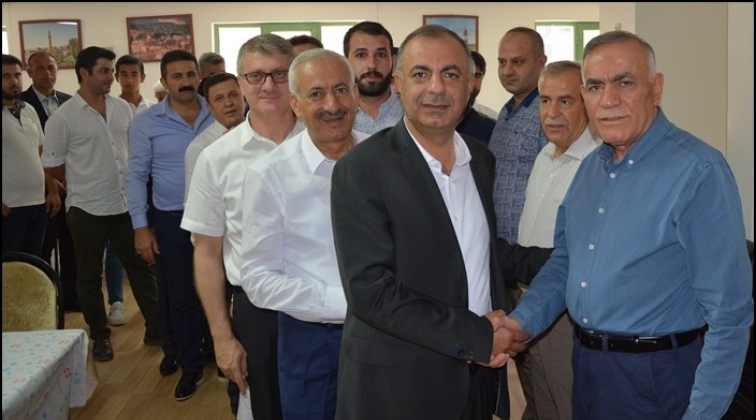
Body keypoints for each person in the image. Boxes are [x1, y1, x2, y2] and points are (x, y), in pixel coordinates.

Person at [507, 30, 753, 420]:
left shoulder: (699, 171)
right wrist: (521, 322)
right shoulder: (589, 169)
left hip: (657, 376)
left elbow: (730, 313)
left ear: (656, 88)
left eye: (624, 83)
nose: (609, 100)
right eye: (595, 86)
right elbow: (566, 263)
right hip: (587, 366)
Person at [330, 25, 552, 420]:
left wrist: (563, 258)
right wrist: (477, 336)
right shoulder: (362, 168)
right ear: (399, 83)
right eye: (421, 74)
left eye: (450, 74)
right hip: (399, 389)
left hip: (477, 380)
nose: (436, 88)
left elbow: (477, 250)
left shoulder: (480, 160)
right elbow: (371, 292)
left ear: (470, 86)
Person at [239, 48, 368, 420]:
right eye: (316, 94)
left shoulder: (385, 159)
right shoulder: (270, 175)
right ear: (295, 104)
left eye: (341, 90)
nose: (332, 104)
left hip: (387, 336)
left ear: (355, 94)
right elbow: (257, 278)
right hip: (312, 341)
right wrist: (343, 302)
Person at [183, 33, 303, 419]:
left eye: (280, 74)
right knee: (267, 408)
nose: (269, 85)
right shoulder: (216, 159)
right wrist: (222, 337)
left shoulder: (327, 142)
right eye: (256, 76)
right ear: (240, 83)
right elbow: (207, 253)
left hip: (328, 305)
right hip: (258, 311)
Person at [41, 46, 160, 363]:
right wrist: (87, 176)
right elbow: (52, 166)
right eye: (105, 71)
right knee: (89, 276)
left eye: (111, 71)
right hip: (87, 208)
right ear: (84, 73)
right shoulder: (63, 118)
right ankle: (100, 335)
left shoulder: (122, 108)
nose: (111, 77)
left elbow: (133, 151)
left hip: (125, 205)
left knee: (141, 268)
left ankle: (157, 329)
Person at [127, 49, 214, 401]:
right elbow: (136, 175)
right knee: (179, 294)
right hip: (172, 218)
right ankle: (190, 364)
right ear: (164, 81)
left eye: (191, 74)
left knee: (217, 288)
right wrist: (140, 226)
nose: (186, 82)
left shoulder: (218, 111)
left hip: (216, 219)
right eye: (177, 76)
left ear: (199, 76)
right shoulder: (147, 123)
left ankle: (215, 350)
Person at [518, 60, 601, 420]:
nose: (552, 113)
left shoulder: (596, 164)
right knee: (539, 402)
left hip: (564, 311)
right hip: (528, 300)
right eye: (545, 101)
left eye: (565, 101)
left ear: (585, 102)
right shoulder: (544, 155)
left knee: (566, 403)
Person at [488, 27, 548, 419]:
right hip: (505, 261)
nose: (508, 70)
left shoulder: (547, 111)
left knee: (542, 367)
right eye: (502, 62)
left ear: (541, 63)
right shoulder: (506, 112)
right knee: (521, 363)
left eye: (518, 62)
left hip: (534, 264)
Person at [20, 51, 78, 312]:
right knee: (43, 248)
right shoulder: (21, 104)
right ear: (29, 72)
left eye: (51, 68)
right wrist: (50, 183)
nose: (47, 73)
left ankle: (70, 297)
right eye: (40, 68)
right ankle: (42, 302)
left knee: (71, 246)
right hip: (39, 189)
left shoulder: (69, 102)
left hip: (70, 186)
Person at [102, 53, 157, 327]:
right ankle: (116, 301)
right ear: (116, 77)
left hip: (150, 183)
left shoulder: (154, 110)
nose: (129, 79)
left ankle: (156, 306)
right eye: (123, 74)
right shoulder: (109, 109)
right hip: (120, 185)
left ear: (142, 77)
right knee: (116, 247)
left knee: (151, 241)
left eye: (134, 74)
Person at [2, 53, 60, 257]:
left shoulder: (29, 110)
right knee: (10, 268)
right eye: (5, 76)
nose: (14, 81)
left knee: (34, 265)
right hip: (9, 207)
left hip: (38, 204)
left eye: (17, 75)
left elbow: (41, 154)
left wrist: (52, 190)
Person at [184, 72, 245, 199]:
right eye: (219, 99)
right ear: (209, 107)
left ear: (243, 97)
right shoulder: (199, 149)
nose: (228, 103)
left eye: (233, 95)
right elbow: (195, 202)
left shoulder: (265, 133)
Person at [343, 21, 403, 134]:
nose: (372, 64)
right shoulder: (335, 116)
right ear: (345, 64)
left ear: (394, 63)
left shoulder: (413, 113)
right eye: (361, 55)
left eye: (380, 55)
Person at [456, 50, 497, 145]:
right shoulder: (437, 118)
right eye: (468, 75)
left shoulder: (493, 124)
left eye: (477, 76)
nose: (472, 82)